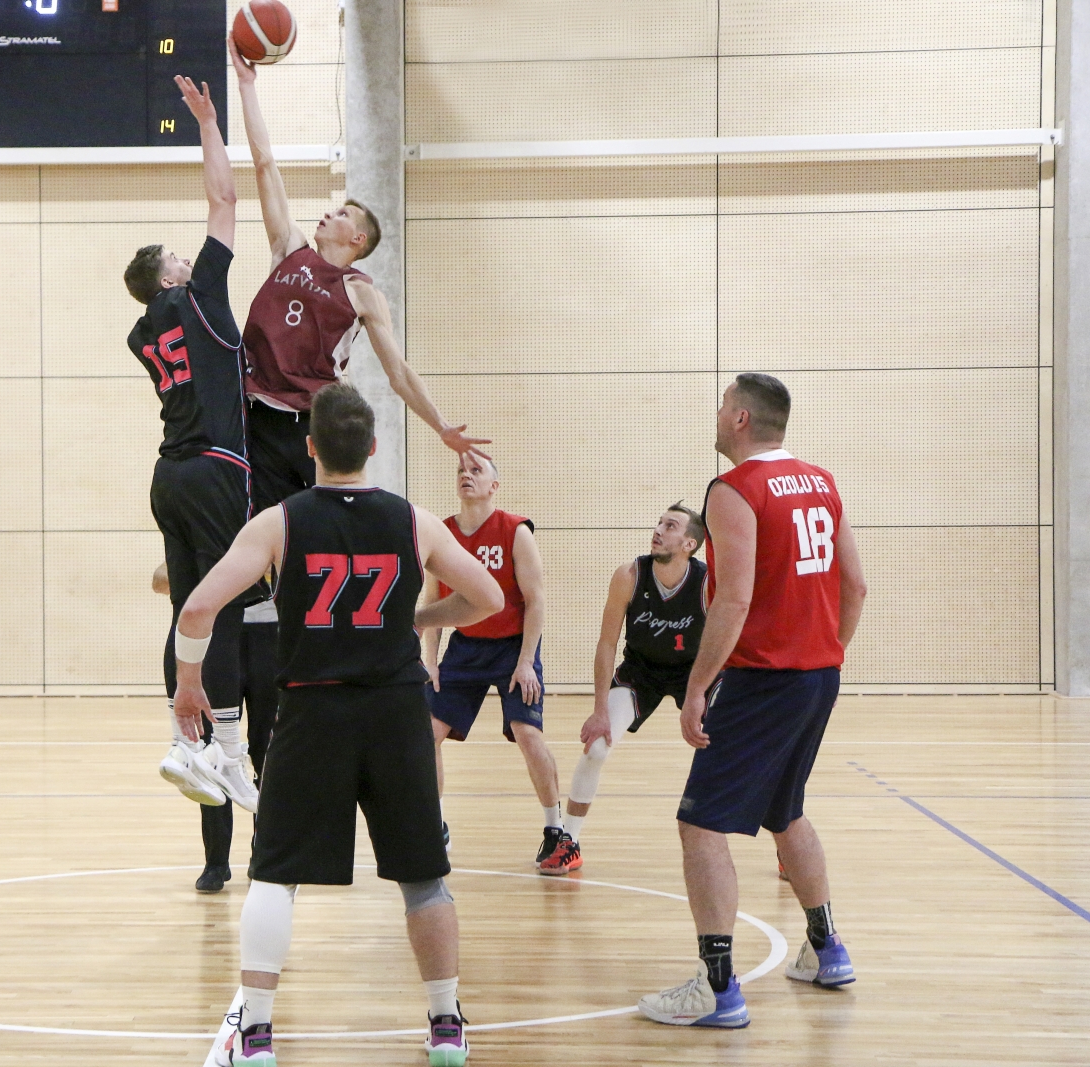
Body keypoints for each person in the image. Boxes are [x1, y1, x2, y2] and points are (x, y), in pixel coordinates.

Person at [174, 383, 502, 1067]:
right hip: (396, 711)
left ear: (311, 446)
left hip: (313, 710)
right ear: (374, 449)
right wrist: (425, 619)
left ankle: (257, 1030)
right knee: (424, 877)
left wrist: (188, 684)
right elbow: (490, 597)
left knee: (273, 875)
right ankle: (446, 1020)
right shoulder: (416, 523)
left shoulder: (280, 522)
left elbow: (198, 610)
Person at [637, 374, 867, 1029]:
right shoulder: (821, 482)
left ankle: (717, 987)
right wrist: (828, 649)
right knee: (783, 808)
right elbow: (857, 583)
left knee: (700, 823)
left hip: (764, 678)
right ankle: (828, 950)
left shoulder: (733, 490)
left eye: (719, 407)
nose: (714, 417)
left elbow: (733, 599)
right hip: (817, 673)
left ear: (740, 418)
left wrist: (698, 686)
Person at [229, 38, 490, 514]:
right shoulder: (290, 247)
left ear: (358, 241)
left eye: (343, 213)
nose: (330, 212)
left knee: (317, 535)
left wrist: (441, 427)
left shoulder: (360, 292)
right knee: (262, 540)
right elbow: (264, 164)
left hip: (316, 425)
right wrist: (247, 86)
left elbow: (398, 373)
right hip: (257, 416)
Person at [123, 75, 259, 827]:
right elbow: (225, 202)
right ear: (170, 277)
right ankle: (229, 749)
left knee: (187, 606)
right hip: (214, 467)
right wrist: (209, 123)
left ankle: (183, 735)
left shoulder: (143, 331)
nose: (189, 257)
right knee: (226, 602)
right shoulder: (199, 295)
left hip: (166, 475)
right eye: (178, 257)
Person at [552, 504, 708, 876]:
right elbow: (607, 644)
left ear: (689, 543)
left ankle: (783, 843)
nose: (658, 529)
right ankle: (569, 842)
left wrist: (704, 690)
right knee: (597, 747)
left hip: (695, 672)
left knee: (742, 749)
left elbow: (727, 639)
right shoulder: (629, 575)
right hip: (641, 672)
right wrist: (599, 708)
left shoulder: (708, 582)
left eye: (670, 526)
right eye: (658, 522)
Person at [421, 454, 559, 870]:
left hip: (514, 646)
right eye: (461, 471)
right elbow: (433, 604)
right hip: (466, 647)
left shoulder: (515, 531)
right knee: (427, 734)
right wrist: (430, 660)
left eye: (476, 471)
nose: (466, 474)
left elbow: (536, 601)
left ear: (494, 487)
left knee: (527, 733)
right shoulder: (441, 534)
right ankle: (435, 826)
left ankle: (556, 831)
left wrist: (525, 662)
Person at [152, 563, 278, 894]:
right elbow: (161, 579)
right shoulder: (211, 536)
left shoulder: (271, 524)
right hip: (218, 639)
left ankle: (263, 855)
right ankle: (216, 861)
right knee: (211, 750)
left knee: (268, 750)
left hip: (270, 638)